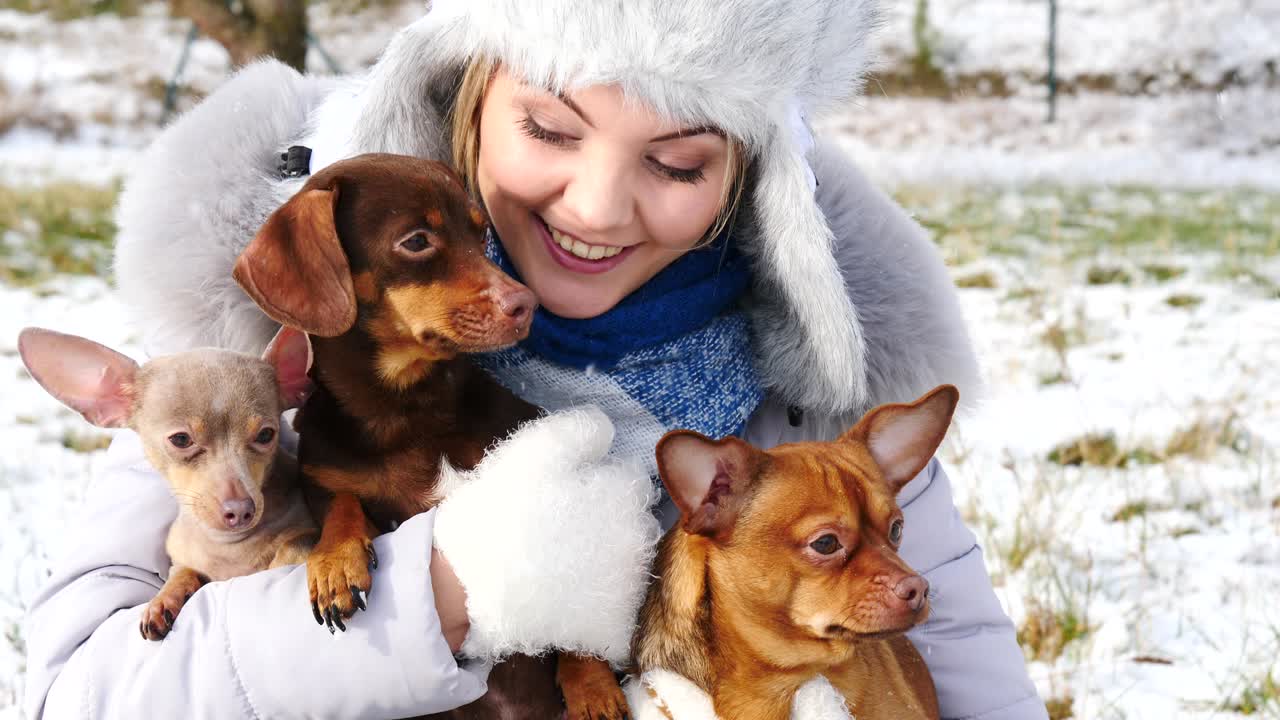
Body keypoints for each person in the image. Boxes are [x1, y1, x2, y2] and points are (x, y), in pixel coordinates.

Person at [24, 1, 1048, 718]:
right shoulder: (265, 352)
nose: (597, 207)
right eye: (551, 128)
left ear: (754, 180)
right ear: (468, 92)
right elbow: (78, 696)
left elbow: (966, 681)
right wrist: (435, 592)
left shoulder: (809, 403)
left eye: (677, 160)